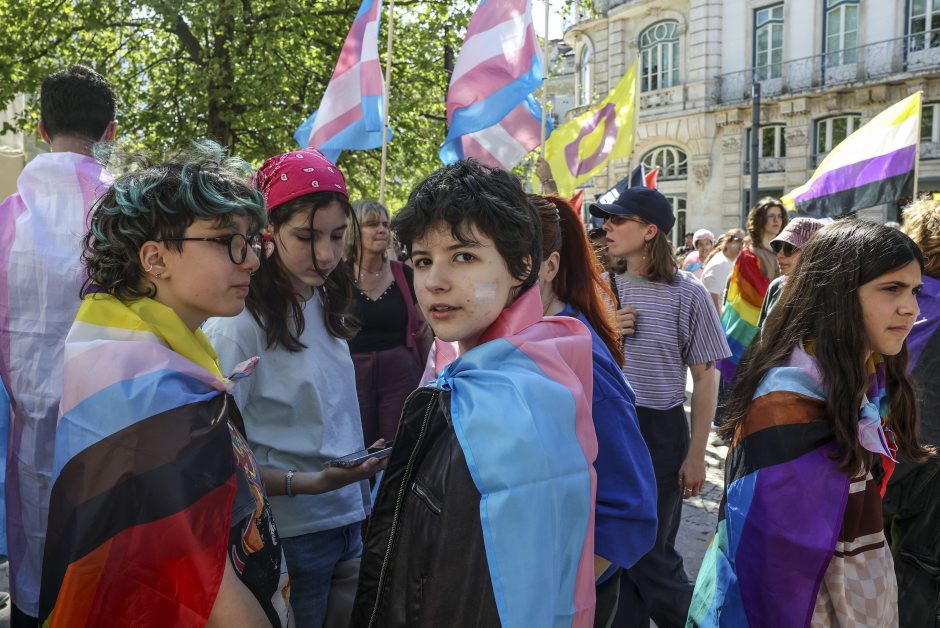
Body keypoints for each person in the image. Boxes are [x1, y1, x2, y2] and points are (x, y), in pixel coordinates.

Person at [40, 142, 290, 626]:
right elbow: (205, 585)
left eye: (252, 241)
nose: (252, 261)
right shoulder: (149, 391)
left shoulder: (136, 352)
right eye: (228, 240)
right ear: (155, 258)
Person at [352, 160, 598, 627]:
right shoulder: (530, 364)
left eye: (464, 256)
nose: (434, 281)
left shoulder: (507, 399)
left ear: (522, 266)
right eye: (422, 260)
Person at [689, 220, 930, 627]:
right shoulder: (785, 401)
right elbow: (774, 562)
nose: (911, 308)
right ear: (838, 292)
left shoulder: (868, 378)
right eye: (892, 288)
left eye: (914, 291)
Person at [203, 148, 381, 628]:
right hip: (289, 534)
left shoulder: (323, 296)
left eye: (337, 236)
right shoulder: (237, 324)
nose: (326, 254)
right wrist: (306, 483)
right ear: (268, 231)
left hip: (347, 520)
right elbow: (217, 455)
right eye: (306, 237)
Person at [0, 64, 116, 627]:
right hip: (113, 428)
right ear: (111, 132)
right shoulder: (127, 214)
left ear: (41, 130)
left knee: (36, 571)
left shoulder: (7, 219)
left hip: (24, 432)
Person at [589, 187, 730, 628]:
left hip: (661, 430)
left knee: (651, 551)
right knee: (613, 550)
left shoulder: (688, 292)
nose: (607, 228)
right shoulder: (597, 288)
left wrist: (696, 454)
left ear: (650, 231)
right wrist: (605, 330)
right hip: (607, 426)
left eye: (618, 220)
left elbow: (706, 378)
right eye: (606, 220)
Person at [532, 194, 657, 626]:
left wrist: (562, 596)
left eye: (470, 257)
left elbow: (631, 511)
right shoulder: (530, 338)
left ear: (546, 266)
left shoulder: (576, 356)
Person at [883, 198, 940, 627]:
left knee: (862, 556)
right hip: (932, 459)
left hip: (879, 447)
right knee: (919, 569)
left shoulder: (885, 299)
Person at [345, 200, 427, 445]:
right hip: (352, 375)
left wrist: (428, 376)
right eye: (372, 224)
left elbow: (423, 328)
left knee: (398, 445)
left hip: (400, 375)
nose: (382, 230)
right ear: (354, 231)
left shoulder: (404, 274)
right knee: (356, 445)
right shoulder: (337, 276)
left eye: (385, 224)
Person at [717, 197, 788, 384]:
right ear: (760, 220)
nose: (777, 220)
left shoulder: (783, 253)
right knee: (734, 393)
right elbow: (759, 296)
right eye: (771, 216)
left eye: (780, 216)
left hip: (770, 335)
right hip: (745, 334)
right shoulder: (749, 255)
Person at [756, 217, 824, 327]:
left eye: (789, 248)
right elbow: (761, 335)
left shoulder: (827, 296)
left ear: (812, 253)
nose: (780, 254)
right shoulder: (776, 286)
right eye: (778, 247)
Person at [700, 229, 745, 314]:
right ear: (727, 242)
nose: (741, 244)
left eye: (743, 242)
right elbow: (712, 297)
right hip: (714, 318)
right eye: (738, 240)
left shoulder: (730, 262)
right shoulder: (719, 264)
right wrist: (718, 321)